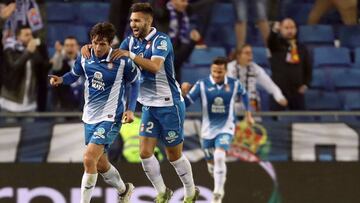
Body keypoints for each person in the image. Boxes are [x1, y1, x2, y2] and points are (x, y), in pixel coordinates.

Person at [81, 3, 199, 203]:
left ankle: (190, 191)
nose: (133, 24)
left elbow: (154, 66)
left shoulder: (161, 41)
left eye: (137, 21)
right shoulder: (129, 42)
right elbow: (113, 56)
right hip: (148, 106)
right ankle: (163, 192)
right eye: (131, 21)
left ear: (149, 21)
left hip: (169, 104)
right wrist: (91, 48)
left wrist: (131, 55)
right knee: (145, 153)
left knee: (173, 155)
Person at [49, 22, 139, 203]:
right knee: (100, 163)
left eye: (103, 44)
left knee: (89, 158)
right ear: (91, 41)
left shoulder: (122, 61)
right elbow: (74, 75)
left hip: (111, 117)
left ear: (111, 44)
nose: (98, 47)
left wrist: (130, 108)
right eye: (95, 43)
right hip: (89, 117)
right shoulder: (85, 56)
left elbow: (135, 82)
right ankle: (124, 189)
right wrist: (61, 79)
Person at [181, 57, 254, 203]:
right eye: (214, 71)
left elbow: (244, 94)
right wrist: (183, 93)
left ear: (225, 71)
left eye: (220, 72)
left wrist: (248, 113)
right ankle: (215, 173)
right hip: (207, 131)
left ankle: (217, 194)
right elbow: (187, 103)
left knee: (220, 156)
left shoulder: (234, 84)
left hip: (226, 128)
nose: (216, 74)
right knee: (211, 165)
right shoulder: (202, 84)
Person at [151, 0, 205, 81]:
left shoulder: (186, 16)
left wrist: (192, 42)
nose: (186, 4)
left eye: (187, 1)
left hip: (175, 68)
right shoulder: (162, 15)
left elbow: (180, 59)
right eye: (182, 1)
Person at [227, 44, 287, 111]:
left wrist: (279, 97)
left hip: (251, 105)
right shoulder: (228, 68)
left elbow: (270, 85)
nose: (250, 55)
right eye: (247, 53)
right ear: (238, 56)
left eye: (251, 53)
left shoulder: (255, 68)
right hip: (233, 106)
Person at [268, 18, 312, 111]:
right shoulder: (275, 45)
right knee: (276, 119)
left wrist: (306, 84)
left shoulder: (302, 48)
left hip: (297, 90)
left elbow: (308, 68)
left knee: (299, 119)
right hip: (279, 90)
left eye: (292, 27)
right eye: (286, 28)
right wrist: (274, 30)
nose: (290, 30)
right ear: (281, 29)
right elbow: (270, 40)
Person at [0, 25, 46, 113]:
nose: (30, 37)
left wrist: (35, 51)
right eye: (26, 35)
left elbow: (41, 68)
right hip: (11, 103)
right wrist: (28, 52)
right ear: (18, 37)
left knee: (30, 127)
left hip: (29, 104)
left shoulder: (34, 51)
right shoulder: (9, 50)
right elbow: (14, 67)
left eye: (31, 35)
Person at [50, 36, 83, 111]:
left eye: (72, 45)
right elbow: (56, 68)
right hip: (63, 104)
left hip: (82, 102)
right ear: (64, 47)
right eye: (67, 45)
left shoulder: (84, 61)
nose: (69, 48)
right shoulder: (59, 60)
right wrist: (58, 54)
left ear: (77, 47)